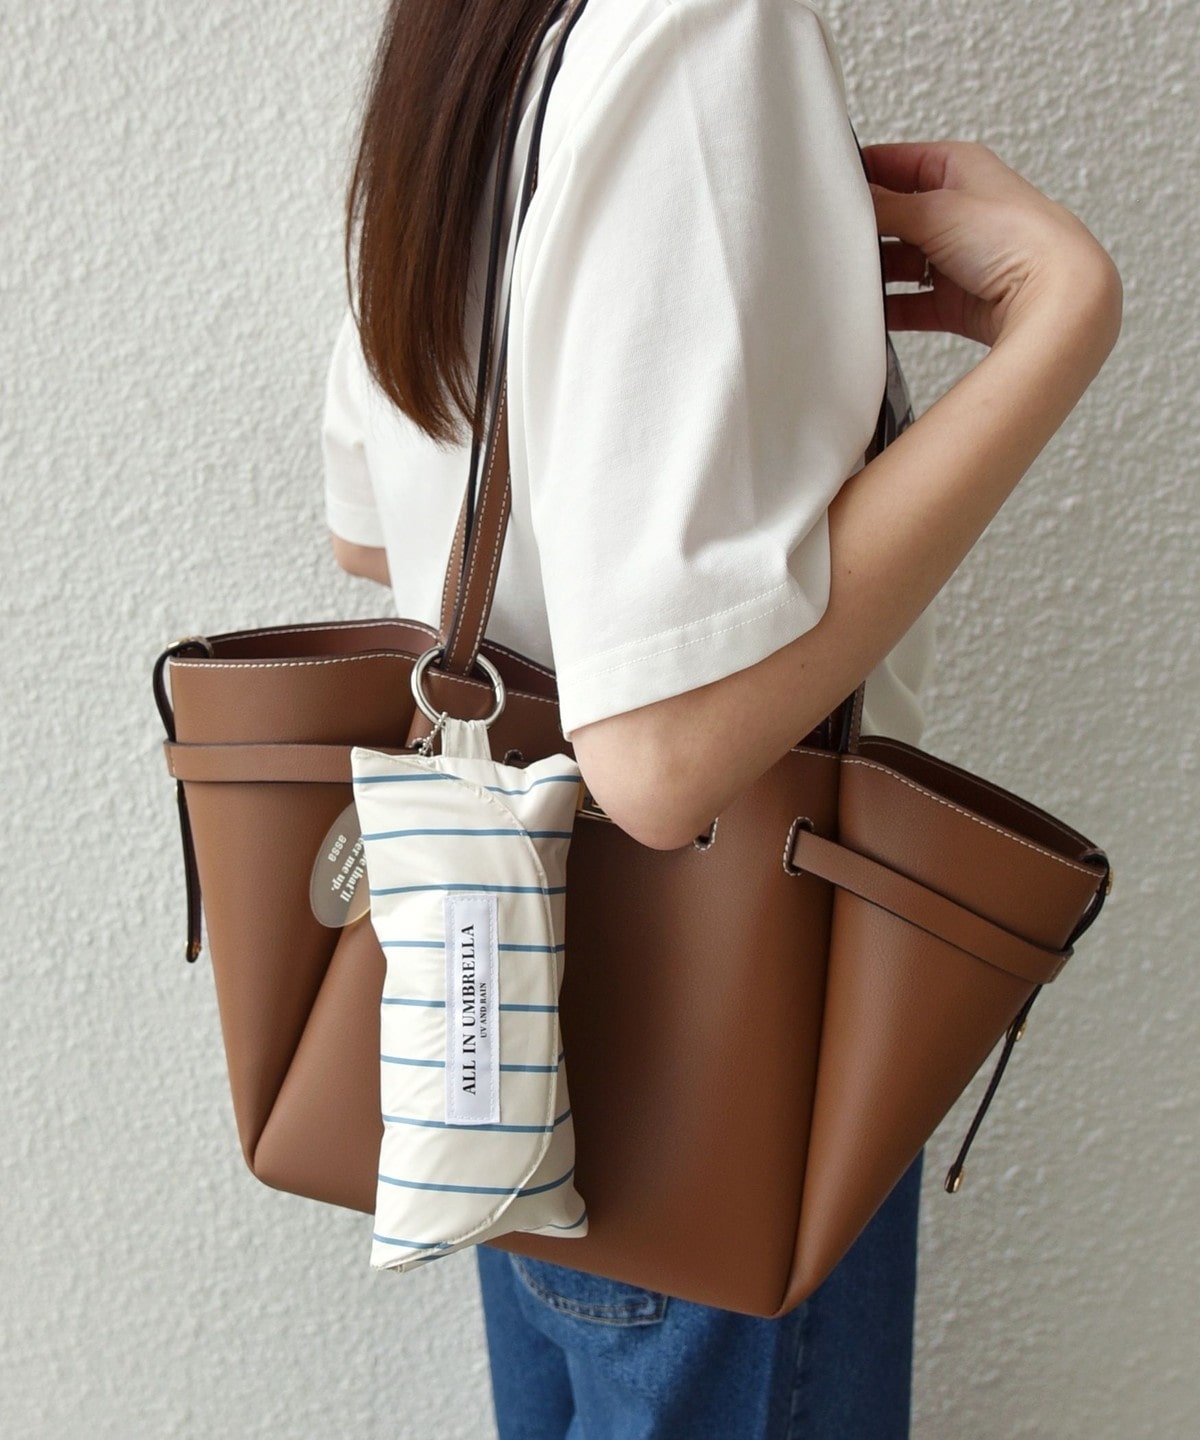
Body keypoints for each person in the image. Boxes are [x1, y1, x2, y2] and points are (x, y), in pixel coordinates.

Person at [321, 1, 1122, 1435]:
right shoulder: (705, 28)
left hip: (512, 1026)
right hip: (723, 1046)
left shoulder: (481, 37)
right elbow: (661, 761)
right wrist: (1063, 316)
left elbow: (378, 539)